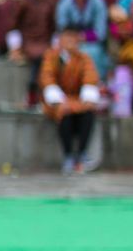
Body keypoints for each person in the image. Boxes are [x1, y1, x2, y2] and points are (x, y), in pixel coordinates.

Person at [40, 26, 104, 173]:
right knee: (64, 113)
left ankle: (82, 154)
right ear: (60, 39)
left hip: (77, 100)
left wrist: (82, 101)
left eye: (73, 37)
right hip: (58, 102)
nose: (70, 41)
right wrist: (62, 101)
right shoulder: (51, 56)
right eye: (67, 37)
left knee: (88, 113)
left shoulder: (84, 58)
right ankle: (68, 156)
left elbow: (90, 78)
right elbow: (47, 79)